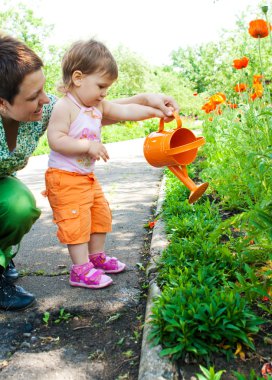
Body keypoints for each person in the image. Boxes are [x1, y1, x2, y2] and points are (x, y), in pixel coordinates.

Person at [0, 33, 179, 309]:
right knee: (61, 217)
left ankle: (8, 254)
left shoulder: (47, 110)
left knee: (36, 207)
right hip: (65, 179)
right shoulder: (56, 108)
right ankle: (72, 268)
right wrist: (86, 145)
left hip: (65, 179)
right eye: (34, 96)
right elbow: (61, 137)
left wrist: (150, 103)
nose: (46, 100)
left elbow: (107, 111)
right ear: (3, 103)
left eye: (44, 89)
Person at [45, 39, 175, 289]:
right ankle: (80, 270)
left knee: (99, 215)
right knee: (76, 221)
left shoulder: (96, 106)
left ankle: (95, 258)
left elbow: (126, 112)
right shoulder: (65, 107)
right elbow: (55, 139)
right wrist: (87, 146)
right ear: (78, 77)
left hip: (85, 177)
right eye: (101, 85)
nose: (104, 93)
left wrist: (157, 112)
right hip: (64, 177)